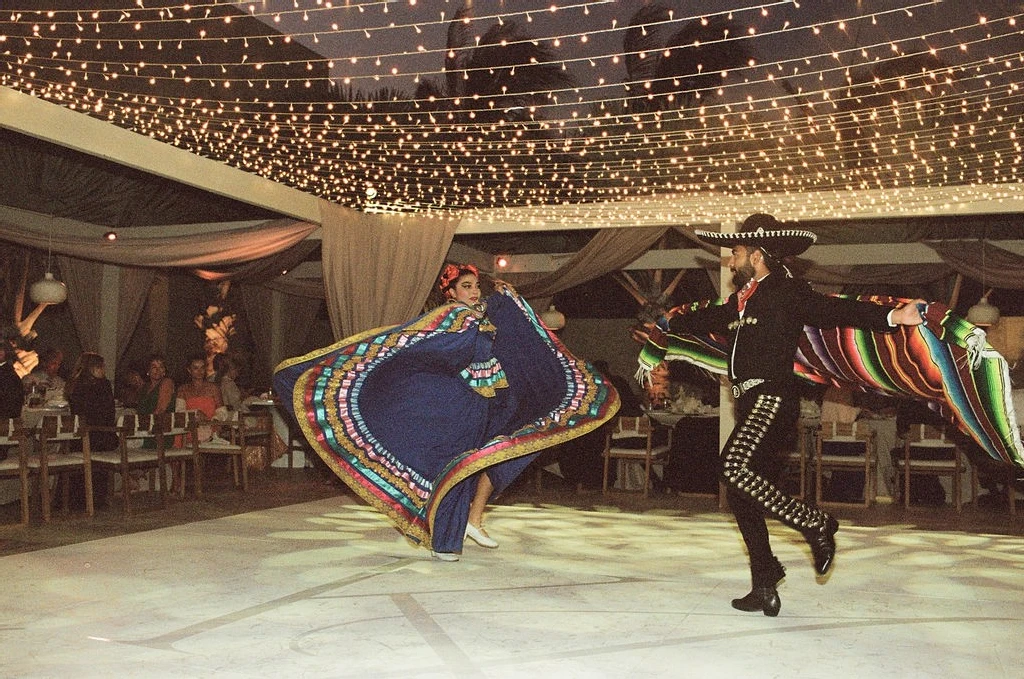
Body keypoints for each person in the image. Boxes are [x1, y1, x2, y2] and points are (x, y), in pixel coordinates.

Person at [636, 213, 925, 617]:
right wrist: (671, 321)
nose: (731, 260)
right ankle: (765, 584)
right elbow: (715, 317)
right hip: (750, 402)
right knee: (741, 494)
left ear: (756, 255)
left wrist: (892, 317)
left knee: (732, 469)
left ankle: (815, 523)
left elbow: (830, 311)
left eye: (735, 252)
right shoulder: (745, 298)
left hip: (772, 397)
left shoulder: (785, 290)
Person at [274, 262, 618, 562]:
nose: (473, 292)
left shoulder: (484, 313)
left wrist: (513, 302)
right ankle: (448, 540)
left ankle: (474, 519)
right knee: (458, 466)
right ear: (450, 292)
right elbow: (423, 347)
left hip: (488, 403)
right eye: (465, 286)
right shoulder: (452, 317)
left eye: (475, 286)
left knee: (518, 446)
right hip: (456, 405)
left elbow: (551, 322)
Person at [65, 352, 119, 507]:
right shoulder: (102, 385)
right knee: (106, 441)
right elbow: (108, 414)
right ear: (95, 368)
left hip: (78, 437)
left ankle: (74, 499)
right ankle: (96, 498)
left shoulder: (73, 385)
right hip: (99, 437)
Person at [137, 354, 176, 418]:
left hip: (160, 422)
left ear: (164, 371)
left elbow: (161, 410)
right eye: (154, 367)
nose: (158, 370)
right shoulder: (145, 387)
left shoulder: (167, 382)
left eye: (161, 367)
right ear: (148, 371)